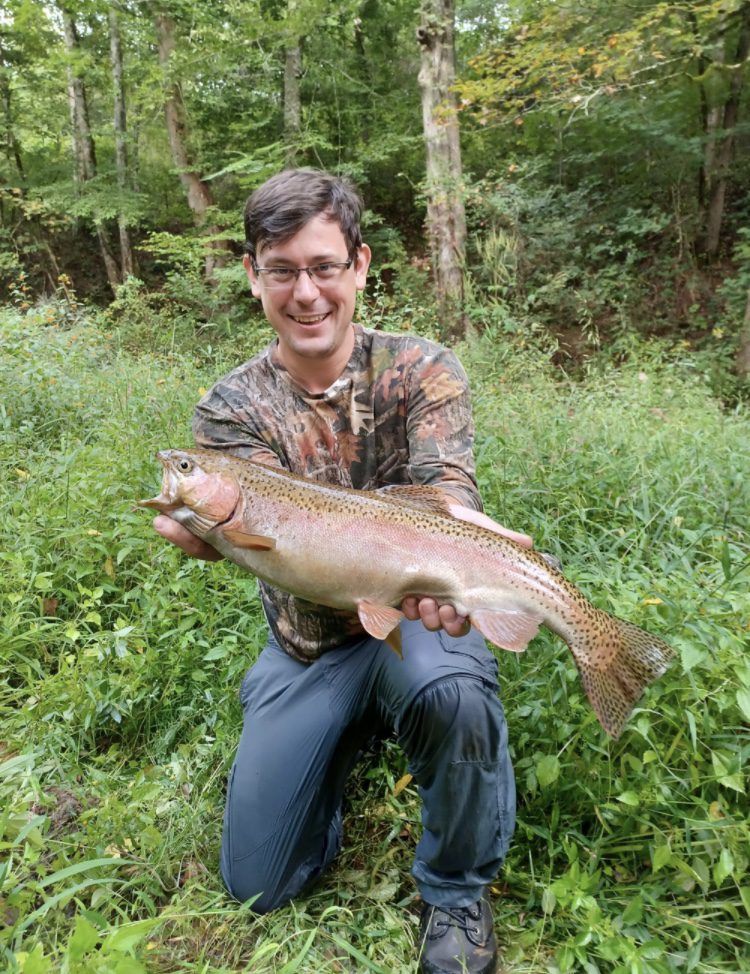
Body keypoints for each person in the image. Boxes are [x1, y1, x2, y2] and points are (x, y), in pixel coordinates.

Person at [153, 168, 528, 974]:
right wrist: (210, 527)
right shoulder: (230, 408)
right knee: (259, 886)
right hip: (307, 648)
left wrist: (470, 548)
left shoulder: (421, 368)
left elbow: (447, 490)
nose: (306, 292)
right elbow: (257, 530)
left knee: (452, 691)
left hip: (414, 621)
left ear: (359, 266)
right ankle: (345, 736)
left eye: (324, 267)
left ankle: (456, 892)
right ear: (252, 274)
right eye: (282, 270)